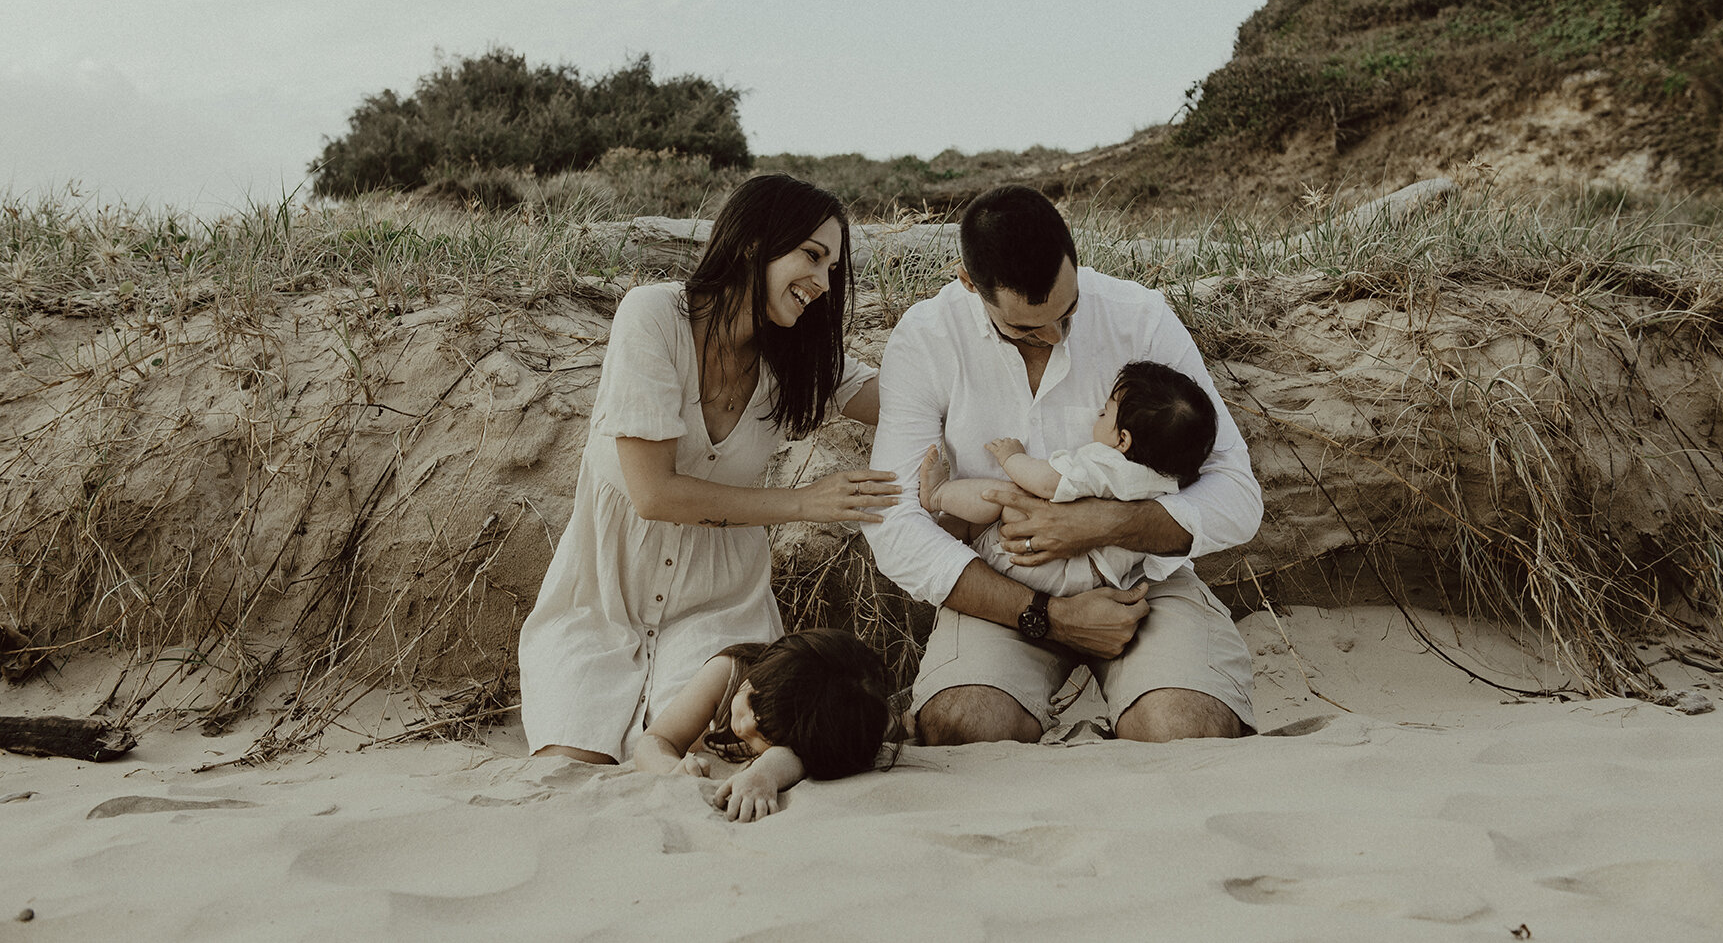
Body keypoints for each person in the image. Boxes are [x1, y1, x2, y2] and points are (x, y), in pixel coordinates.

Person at [519, 173, 901, 766]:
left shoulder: (798, 357)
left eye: (833, 268)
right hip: (601, 596)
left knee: (701, 754)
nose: (825, 283)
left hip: (718, 603)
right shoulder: (654, 316)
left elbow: (907, 405)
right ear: (754, 242)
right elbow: (653, 494)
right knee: (570, 764)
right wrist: (805, 503)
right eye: (812, 256)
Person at [865, 184, 1262, 747]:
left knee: (1186, 731)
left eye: (1068, 311)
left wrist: (1104, 523)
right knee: (965, 727)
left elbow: (1236, 493)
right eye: (1028, 328)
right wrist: (1045, 614)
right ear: (969, 283)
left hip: (1140, 581)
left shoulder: (1139, 316)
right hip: (1006, 585)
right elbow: (893, 522)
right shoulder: (927, 338)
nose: (1054, 335)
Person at [917, 359, 1218, 598]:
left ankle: (938, 495)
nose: (1098, 414)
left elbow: (1048, 482)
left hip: (1055, 569)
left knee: (1003, 498)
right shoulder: (1165, 480)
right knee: (977, 524)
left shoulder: (1109, 463)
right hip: (1090, 579)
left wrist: (1012, 458)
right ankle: (954, 529)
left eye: (1105, 412)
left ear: (1123, 440)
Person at [633, 628, 891, 821]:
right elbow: (655, 739)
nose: (744, 727)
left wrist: (765, 773)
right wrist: (669, 769)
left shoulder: (815, 726)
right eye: (752, 702)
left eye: (766, 733)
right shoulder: (727, 672)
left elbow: (799, 758)